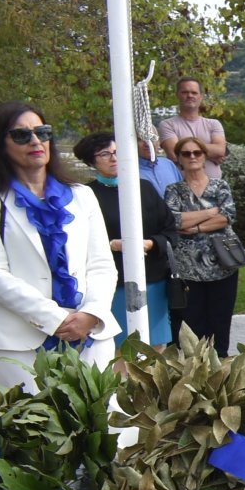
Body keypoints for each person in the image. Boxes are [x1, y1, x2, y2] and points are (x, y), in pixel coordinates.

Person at [0, 104, 117, 389]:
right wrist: (55, 318)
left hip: (89, 337)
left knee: (97, 428)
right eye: (21, 135)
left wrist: (91, 313)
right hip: (16, 345)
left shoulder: (83, 196)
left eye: (42, 132)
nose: (35, 141)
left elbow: (102, 265)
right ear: (0, 144)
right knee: (27, 431)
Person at [74, 132, 172, 346]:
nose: (114, 158)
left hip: (151, 279)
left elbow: (170, 229)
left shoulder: (143, 188)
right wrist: (111, 245)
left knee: (155, 345)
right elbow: (78, 239)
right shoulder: (86, 194)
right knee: (118, 345)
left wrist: (151, 243)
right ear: (91, 161)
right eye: (105, 154)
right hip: (112, 282)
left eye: (118, 152)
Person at [161, 135, 243, 354]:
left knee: (220, 325)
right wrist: (210, 212)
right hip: (188, 272)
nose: (192, 157)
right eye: (186, 153)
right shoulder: (174, 190)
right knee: (192, 327)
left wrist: (195, 227)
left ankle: (221, 378)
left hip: (222, 267)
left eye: (197, 153)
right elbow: (175, 221)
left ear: (205, 156)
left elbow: (227, 216)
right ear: (178, 158)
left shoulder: (220, 186)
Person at [155, 77, 227, 180]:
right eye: (185, 92)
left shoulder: (213, 124)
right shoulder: (167, 125)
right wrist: (211, 154)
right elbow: (174, 155)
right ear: (177, 95)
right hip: (182, 188)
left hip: (214, 189)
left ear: (201, 96)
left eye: (194, 93)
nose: (189, 95)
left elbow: (220, 150)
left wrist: (185, 150)